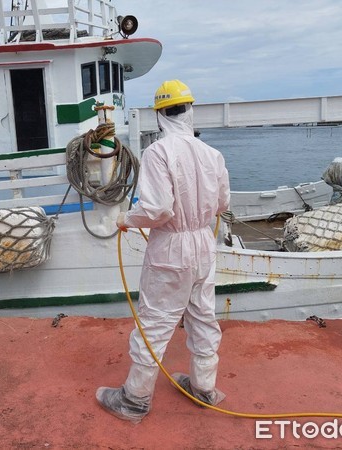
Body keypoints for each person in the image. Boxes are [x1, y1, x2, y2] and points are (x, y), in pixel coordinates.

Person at [95, 79, 231, 423]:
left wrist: (127, 219)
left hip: (172, 246)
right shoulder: (212, 154)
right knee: (202, 315)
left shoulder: (158, 152)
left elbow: (157, 210)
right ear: (189, 110)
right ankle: (204, 387)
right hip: (203, 243)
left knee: (155, 321)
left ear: (159, 116)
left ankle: (134, 400)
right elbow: (222, 203)